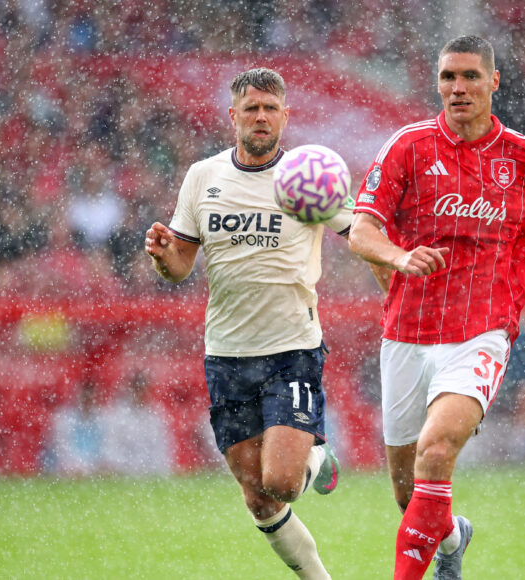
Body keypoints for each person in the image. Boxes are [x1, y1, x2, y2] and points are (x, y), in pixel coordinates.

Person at [348, 36, 525, 579]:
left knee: (437, 449)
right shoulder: (407, 147)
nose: (458, 88)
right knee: (409, 493)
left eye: (470, 76)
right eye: (448, 77)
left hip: (482, 332)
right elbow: (361, 230)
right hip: (407, 330)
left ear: (494, 82)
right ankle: (451, 539)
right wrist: (399, 257)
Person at [144, 67, 344, 579]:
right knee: (257, 498)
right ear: (233, 116)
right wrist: (164, 257)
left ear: (285, 116)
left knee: (280, 480)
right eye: (251, 108)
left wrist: (397, 264)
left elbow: (359, 231)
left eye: (270, 108)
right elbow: (181, 267)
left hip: (291, 348)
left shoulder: (307, 177)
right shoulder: (203, 176)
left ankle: (315, 460)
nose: (260, 117)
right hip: (227, 353)